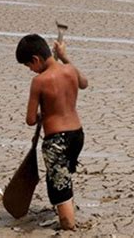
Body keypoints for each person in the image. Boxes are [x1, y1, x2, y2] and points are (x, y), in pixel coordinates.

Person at [15, 34, 88, 230]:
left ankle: (68, 224)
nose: (30, 70)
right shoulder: (70, 70)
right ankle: (68, 214)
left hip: (57, 140)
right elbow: (84, 83)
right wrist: (65, 57)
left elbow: (30, 119)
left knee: (59, 185)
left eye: (28, 66)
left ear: (36, 59)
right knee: (64, 175)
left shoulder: (39, 81)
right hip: (77, 135)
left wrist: (43, 113)